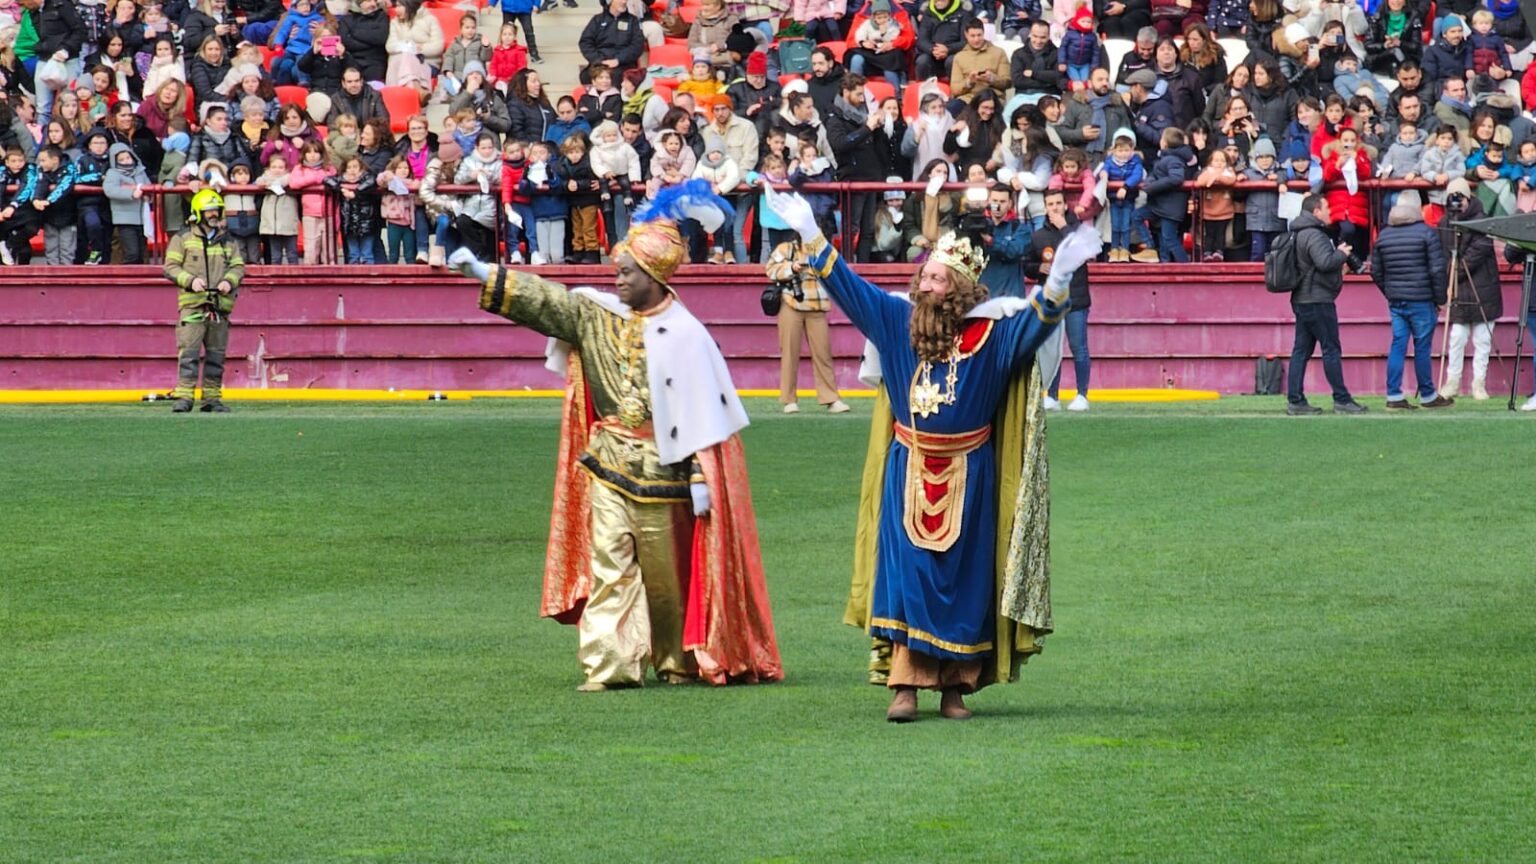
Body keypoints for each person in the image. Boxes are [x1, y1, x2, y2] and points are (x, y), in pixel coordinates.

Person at [762, 179, 1098, 722]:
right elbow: (849, 288)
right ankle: (905, 686)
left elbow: (1037, 325)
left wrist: (1058, 278)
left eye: (938, 278)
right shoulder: (896, 324)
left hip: (974, 472)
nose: (924, 284)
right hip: (908, 465)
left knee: (964, 581)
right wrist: (809, 232)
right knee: (908, 574)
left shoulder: (991, 338)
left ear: (962, 289)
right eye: (924, 275)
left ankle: (955, 689)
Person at [447, 180, 784, 690]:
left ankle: (676, 661)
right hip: (606, 465)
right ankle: (609, 665)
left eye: (627, 272)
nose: (618, 280)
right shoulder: (595, 314)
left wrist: (699, 473)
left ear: (654, 275)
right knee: (610, 568)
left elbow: (703, 414)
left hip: (666, 474)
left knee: (667, 582)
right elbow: (546, 301)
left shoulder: (690, 334)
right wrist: (482, 272)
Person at [164, 189, 245, 414]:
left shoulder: (228, 241)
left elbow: (238, 267)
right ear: (198, 212)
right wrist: (190, 281)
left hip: (220, 306)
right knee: (188, 353)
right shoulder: (182, 239)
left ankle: (211, 398)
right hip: (192, 305)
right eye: (209, 210)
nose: (213, 214)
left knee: (216, 355)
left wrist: (229, 281)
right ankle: (184, 397)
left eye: (216, 210)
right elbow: (170, 268)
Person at [1286, 194, 1367, 416]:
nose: (1330, 211)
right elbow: (1324, 263)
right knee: (1330, 348)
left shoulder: (1297, 233)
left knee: (1301, 350)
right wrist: (1341, 254)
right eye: (1326, 207)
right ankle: (1341, 399)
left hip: (1303, 298)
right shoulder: (1314, 235)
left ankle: (1295, 400)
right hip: (1318, 299)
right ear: (1316, 212)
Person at [1371, 189, 1452, 410]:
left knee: (1398, 345)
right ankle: (1427, 394)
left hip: (1397, 300)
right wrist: (1440, 298)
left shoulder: (1384, 235)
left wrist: (1390, 292)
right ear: (1418, 208)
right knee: (1422, 347)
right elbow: (1437, 270)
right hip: (1422, 299)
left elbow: (1376, 271)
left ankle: (1394, 395)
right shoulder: (1427, 233)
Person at [1025, 188, 1092, 411]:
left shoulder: (1078, 230)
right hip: (1051, 300)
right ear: (1045, 208)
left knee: (1078, 347)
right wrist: (1037, 268)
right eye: (1050, 204)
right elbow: (1027, 265)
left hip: (1076, 298)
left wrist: (1063, 226)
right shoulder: (1037, 236)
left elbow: (1081, 252)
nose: (1054, 208)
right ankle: (1051, 395)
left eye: (1058, 203)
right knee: (1052, 348)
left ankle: (1082, 394)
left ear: (1065, 206)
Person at [765, 237, 848, 414]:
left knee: (823, 353)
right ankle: (789, 400)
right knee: (789, 352)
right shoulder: (786, 248)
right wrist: (790, 268)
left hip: (817, 306)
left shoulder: (825, 252)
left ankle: (831, 398)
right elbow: (770, 269)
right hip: (790, 304)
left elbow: (837, 274)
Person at [1438, 182, 1502, 402]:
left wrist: (1454, 270)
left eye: (1460, 199)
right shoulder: (1445, 222)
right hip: (1457, 288)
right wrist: (1448, 276)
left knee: (1483, 339)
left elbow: (1478, 252)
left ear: (1468, 198)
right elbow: (1442, 252)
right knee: (1456, 337)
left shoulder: (1482, 221)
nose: (1457, 204)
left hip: (1482, 287)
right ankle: (1452, 381)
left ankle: (1479, 383)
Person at [579, 0, 647, 79]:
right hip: (600, 62)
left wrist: (618, 60)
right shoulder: (597, 19)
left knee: (616, 76)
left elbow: (637, 45)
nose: (624, 2)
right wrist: (599, 60)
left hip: (623, 63)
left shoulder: (632, 20)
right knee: (586, 76)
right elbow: (585, 42)